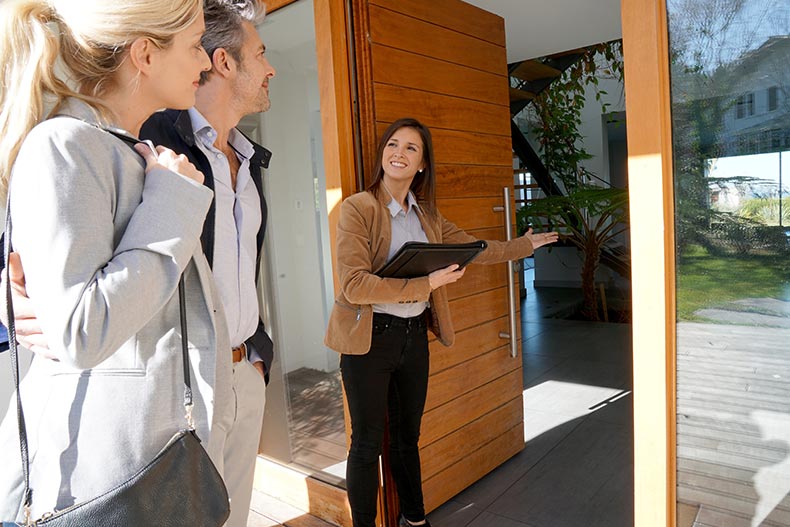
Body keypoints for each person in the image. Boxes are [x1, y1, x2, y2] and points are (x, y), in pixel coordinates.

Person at [1, 1, 277, 525]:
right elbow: (83, 329)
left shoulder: (129, 151)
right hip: (111, 475)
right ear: (146, 54)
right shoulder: (66, 144)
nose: (204, 60)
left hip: (169, 439)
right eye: (195, 45)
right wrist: (172, 200)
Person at [324, 118, 559, 527]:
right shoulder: (358, 208)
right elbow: (354, 285)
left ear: (422, 165)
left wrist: (522, 246)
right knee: (365, 445)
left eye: (411, 148)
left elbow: (473, 249)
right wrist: (426, 283)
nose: (399, 153)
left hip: (413, 338)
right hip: (368, 342)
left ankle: (414, 520)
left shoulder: (427, 216)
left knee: (406, 440)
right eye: (393, 144)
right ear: (383, 154)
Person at [140, 1, 276, 525]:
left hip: (246, 373)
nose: (270, 69)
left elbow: (245, 268)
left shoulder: (248, 158)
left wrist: (259, 354)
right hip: (189, 384)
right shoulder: (154, 140)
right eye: (260, 54)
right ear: (224, 63)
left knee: (234, 516)